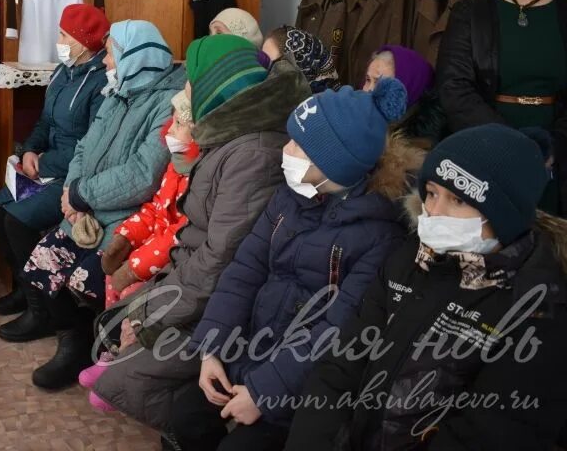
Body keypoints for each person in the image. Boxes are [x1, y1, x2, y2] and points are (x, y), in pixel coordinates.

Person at [169, 79, 417, 451]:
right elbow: (244, 271)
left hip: (302, 387)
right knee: (185, 415)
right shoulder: (289, 197)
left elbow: (336, 329)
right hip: (250, 350)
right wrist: (213, 348)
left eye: (298, 145)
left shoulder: (379, 236)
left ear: (334, 162)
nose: (285, 150)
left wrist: (264, 392)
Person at [285, 123, 567, 451]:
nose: (434, 212)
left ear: (504, 215)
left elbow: (492, 433)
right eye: (431, 193)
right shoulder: (407, 262)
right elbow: (341, 369)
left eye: (458, 200)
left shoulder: (538, 309)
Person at [90, 35, 312, 435]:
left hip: (217, 309)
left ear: (216, 86)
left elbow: (220, 259)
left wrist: (151, 315)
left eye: (191, 82)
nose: (184, 92)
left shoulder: (252, 154)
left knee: (125, 380)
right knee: (113, 328)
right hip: (193, 287)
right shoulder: (230, 137)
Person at [16, 20, 187, 389]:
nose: (106, 61)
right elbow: (83, 147)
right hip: (85, 209)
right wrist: (73, 191)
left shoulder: (167, 104)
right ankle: (72, 340)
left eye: (112, 53)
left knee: (82, 282)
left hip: (123, 219)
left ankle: (94, 344)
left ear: (135, 57)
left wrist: (83, 195)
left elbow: (143, 175)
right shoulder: (119, 91)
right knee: (39, 266)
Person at [438, 0, 567, 215]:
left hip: (556, 152)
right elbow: (454, 89)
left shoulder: (564, 12)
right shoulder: (470, 13)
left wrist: (555, 146)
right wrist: (514, 146)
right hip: (484, 144)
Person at [0, 4, 110, 334]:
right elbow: (45, 122)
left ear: (84, 42)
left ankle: (42, 311)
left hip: (73, 174)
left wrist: (43, 164)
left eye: (64, 35)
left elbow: (90, 144)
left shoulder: (101, 84)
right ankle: (23, 289)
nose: (58, 40)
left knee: (18, 220)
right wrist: (29, 149)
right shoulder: (62, 71)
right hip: (45, 165)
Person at [79, 90, 198, 412]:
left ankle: (124, 366)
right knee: (109, 275)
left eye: (179, 125)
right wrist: (124, 238)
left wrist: (135, 266)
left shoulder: (199, 174)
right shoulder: (177, 165)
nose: (169, 131)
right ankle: (114, 351)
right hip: (154, 251)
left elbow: (181, 231)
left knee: (134, 292)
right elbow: (154, 211)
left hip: (173, 261)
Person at [364, 44, 445, 148]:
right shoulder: (361, 120)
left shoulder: (416, 150)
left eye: (380, 83)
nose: (368, 91)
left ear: (408, 88)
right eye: (368, 80)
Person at [261, 25, 339, 93]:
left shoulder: (326, 106)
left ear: (302, 67)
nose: (264, 71)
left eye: (273, 66)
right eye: (263, 60)